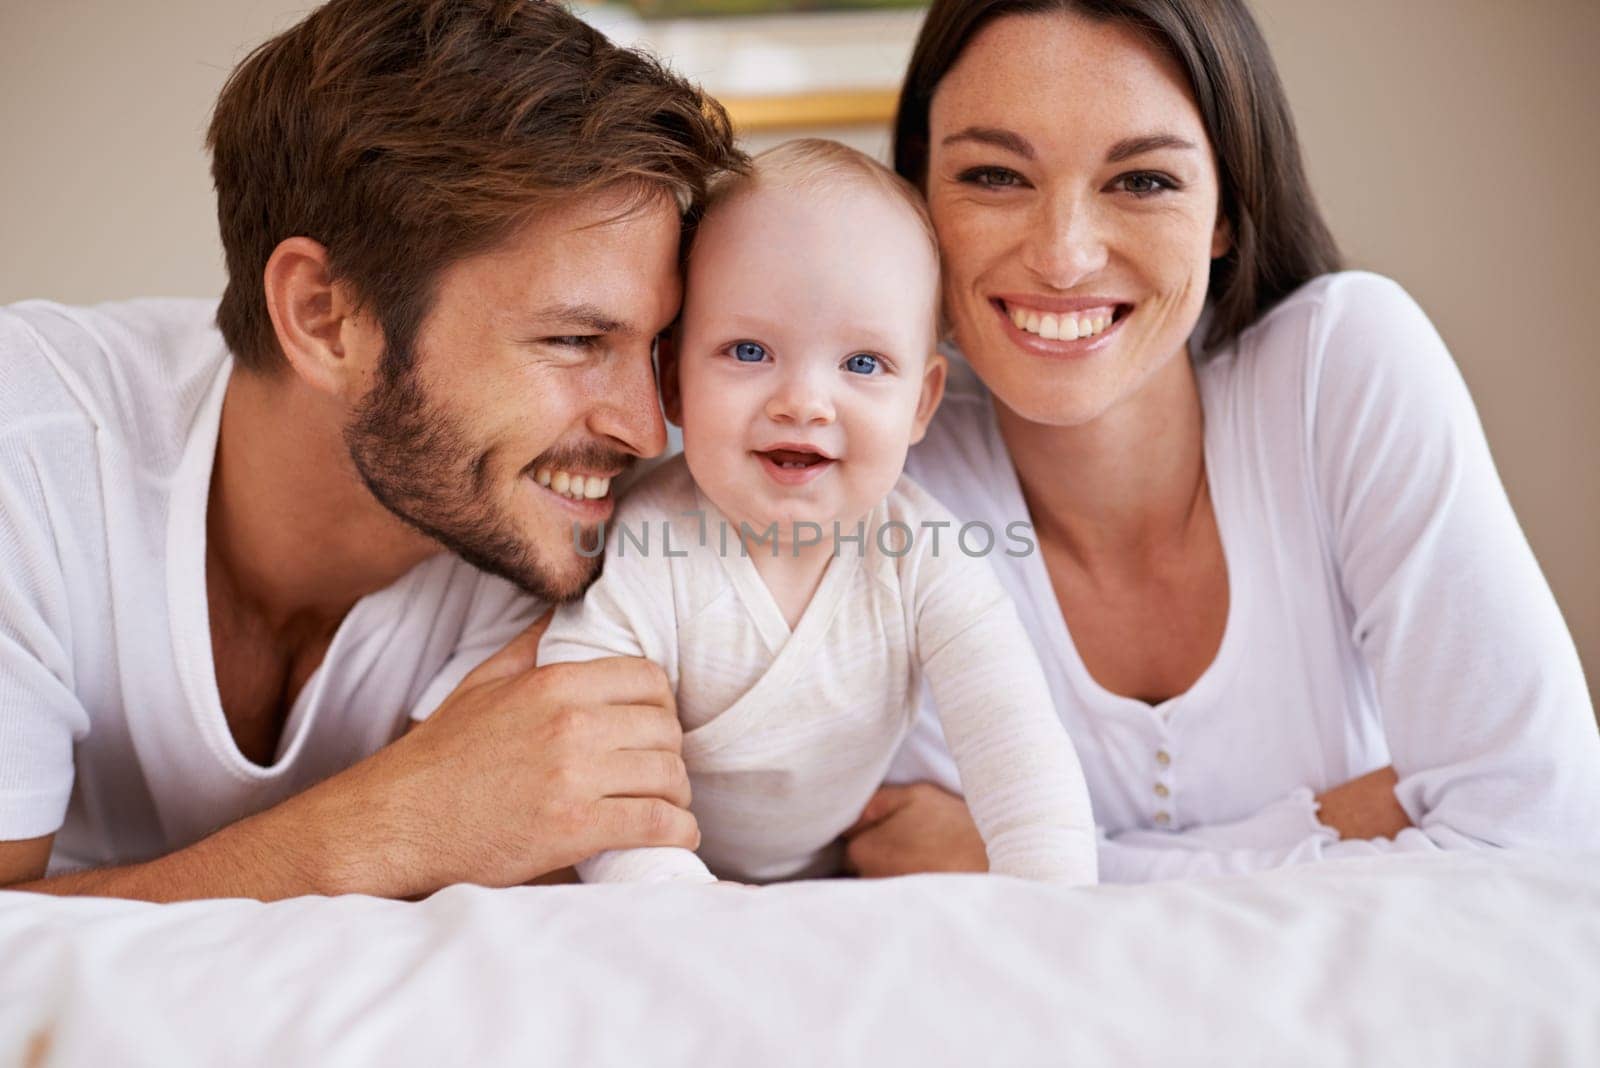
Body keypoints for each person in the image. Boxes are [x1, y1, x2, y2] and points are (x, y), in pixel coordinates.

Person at [0, 0, 744, 900]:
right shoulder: (29, 453)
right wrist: (383, 828)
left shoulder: (556, 532)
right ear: (325, 316)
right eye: (575, 342)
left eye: (656, 347)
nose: (646, 429)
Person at [843, 0, 1600, 882]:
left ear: (1226, 213)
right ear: (920, 200)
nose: (1063, 255)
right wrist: (1344, 820)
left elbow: (1546, 831)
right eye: (996, 176)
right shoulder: (872, 467)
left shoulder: (1340, 364)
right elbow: (832, 859)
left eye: (1142, 181)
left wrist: (1024, 859)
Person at [529, 140, 1098, 886]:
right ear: (672, 383)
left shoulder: (923, 554)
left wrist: (1057, 905)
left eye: (862, 364)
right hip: (672, 880)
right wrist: (680, 908)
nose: (802, 402)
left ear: (920, 403)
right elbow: (599, 775)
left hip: (834, 872)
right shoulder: (645, 547)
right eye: (748, 350)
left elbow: (1015, 742)